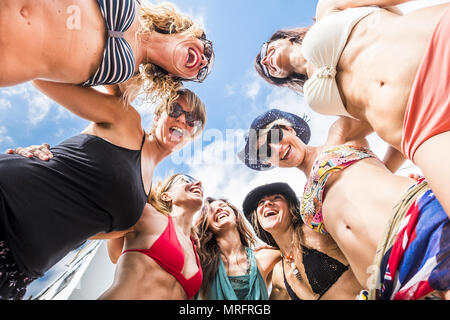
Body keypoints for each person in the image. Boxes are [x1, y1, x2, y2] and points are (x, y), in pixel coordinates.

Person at [0, 86, 206, 300]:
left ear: (192, 135)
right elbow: (45, 74)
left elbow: (85, 232)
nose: (182, 119)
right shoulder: (126, 122)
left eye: (192, 120)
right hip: (7, 201)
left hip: (16, 268)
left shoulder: (139, 206)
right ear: (157, 117)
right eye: (175, 110)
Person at [254, 0, 450, 219]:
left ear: (283, 37)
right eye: (266, 71)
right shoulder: (316, 94)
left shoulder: (327, 10)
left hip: (435, 46)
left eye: (264, 52)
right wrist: (385, 173)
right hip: (419, 130)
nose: (265, 61)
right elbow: (368, 118)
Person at [239, 109, 449, 300]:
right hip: (386, 284)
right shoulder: (305, 211)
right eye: (266, 152)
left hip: (418, 228)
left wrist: (383, 170)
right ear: (268, 162)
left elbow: (394, 114)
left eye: (275, 137)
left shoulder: (337, 136)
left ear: (289, 129)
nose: (276, 148)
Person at [0, 0, 214, 102]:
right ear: (189, 33)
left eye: (201, 72)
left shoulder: (127, 84)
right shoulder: (138, 4)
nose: (203, 61)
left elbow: (108, 129)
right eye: (206, 50)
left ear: (172, 76)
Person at [242, 182, 363, 300]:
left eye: (276, 197)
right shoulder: (279, 273)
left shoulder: (318, 229)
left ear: (291, 206)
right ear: (256, 218)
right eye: (261, 202)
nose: (267, 203)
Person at [97, 174, 204, 300]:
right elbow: (114, 254)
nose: (199, 183)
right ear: (166, 195)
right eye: (186, 180)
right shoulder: (146, 214)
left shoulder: (195, 248)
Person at [194, 197, 281, 300]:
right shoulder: (201, 263)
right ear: (206, 225)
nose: (218, 209)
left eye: (222, 206)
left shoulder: (265, 257)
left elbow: (296, 251)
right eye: (211, 211)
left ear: (236, 215)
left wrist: (277, 245)